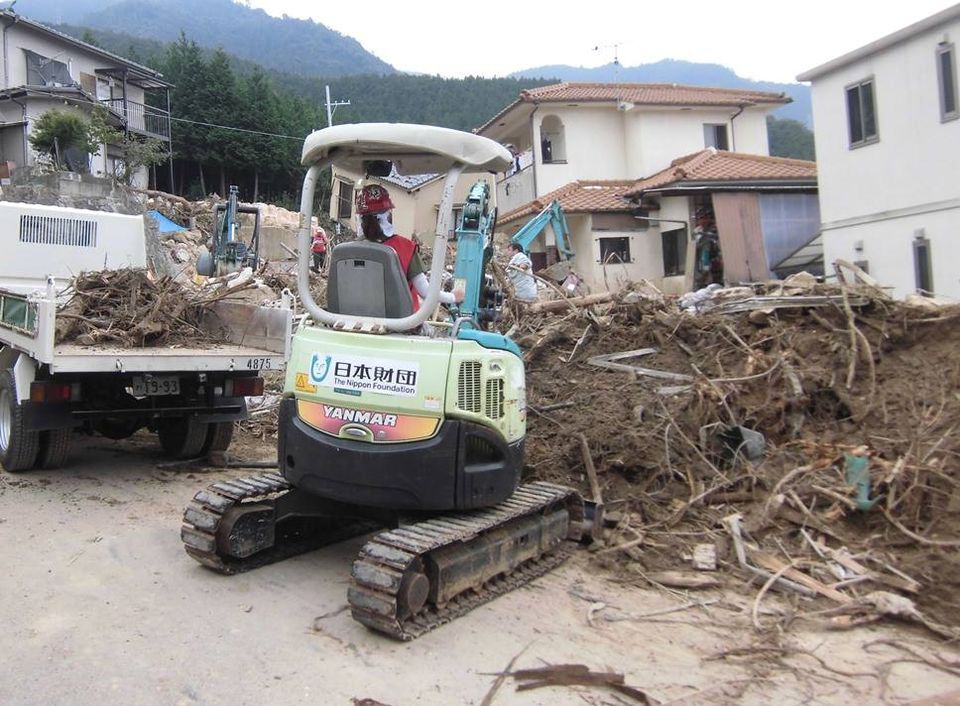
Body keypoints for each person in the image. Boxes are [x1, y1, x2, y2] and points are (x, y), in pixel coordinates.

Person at [355, 184, 463, 312]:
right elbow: (424, 291)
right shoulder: (405, 248)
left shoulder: (351, 250)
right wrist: (453, 297)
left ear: (361, 219)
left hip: (359, 318)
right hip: (401, 323)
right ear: (387, 215)